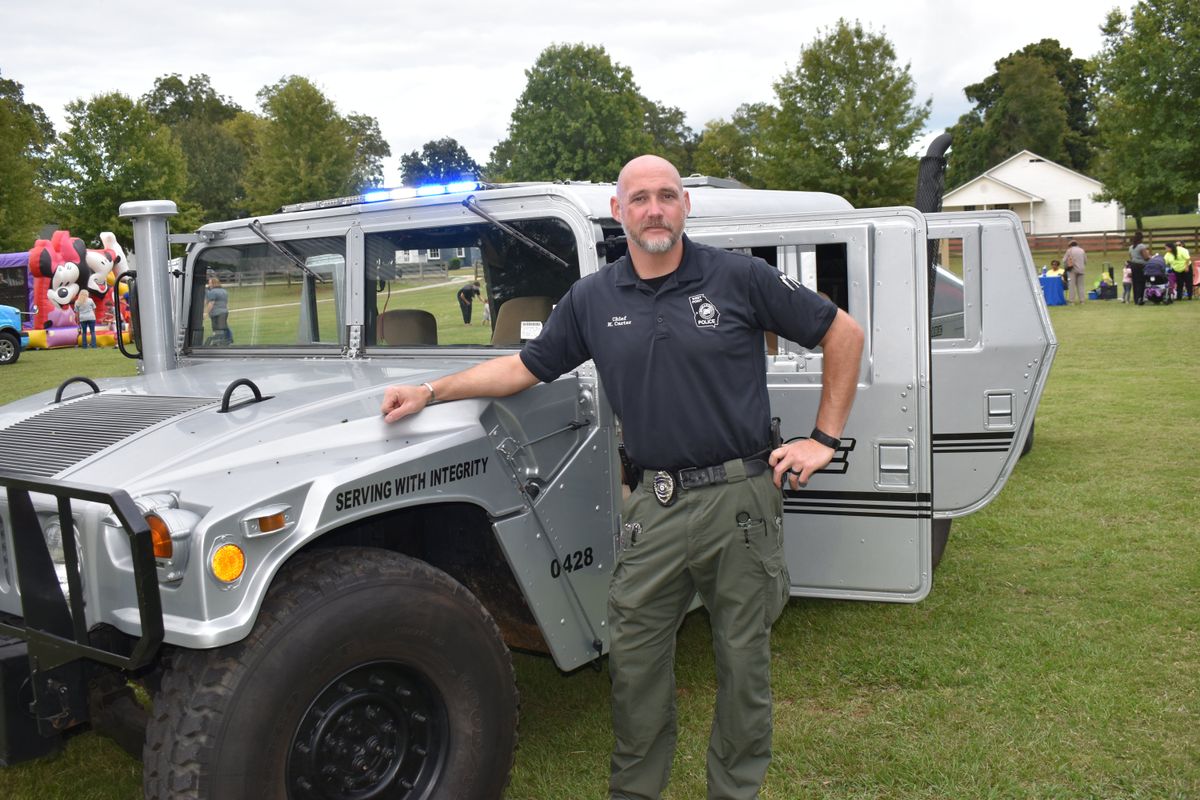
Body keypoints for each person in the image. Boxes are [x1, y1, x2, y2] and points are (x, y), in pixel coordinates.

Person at [380, 154, 864, 800]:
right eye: (639, 199)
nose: (654, 209)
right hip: (654, 509)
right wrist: (430, 390)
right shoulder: (594, 298)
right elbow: (524, 368)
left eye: (667, 196)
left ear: (685, 206)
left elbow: (844, 333)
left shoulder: (740, 278)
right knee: (634, 665)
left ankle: (735, 790)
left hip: (740, 504)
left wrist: (823, 440)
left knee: (743, 666)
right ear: (619, 212)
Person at [205, 273, 232, 343]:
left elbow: (211, 303)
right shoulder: (224, 291)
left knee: (217, 329)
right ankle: (228, 339)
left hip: (216, 313)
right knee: (224, 327)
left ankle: (218, 341)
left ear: (213, 283)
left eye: (210, 283)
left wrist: (206, 313)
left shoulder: (212, 292)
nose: (209, 284)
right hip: (224, 312)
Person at [1128, 232, 1150, 305]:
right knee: (1141, 282)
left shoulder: (1131, 247)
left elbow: (1131, 257)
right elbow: (1146, 257)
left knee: (1135, 282)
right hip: (1141, 266)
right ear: (1141, 238)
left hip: (1133, 265)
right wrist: (1151, 257)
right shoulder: (1141, 246)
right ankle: (1140, 298)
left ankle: (1136, 299)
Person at [1063, 240, 1087, 305]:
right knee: (1081, 286)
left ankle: (1072, 301)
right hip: (1081, 269)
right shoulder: (1082, 250)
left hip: (1072, 270)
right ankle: (1082, 301)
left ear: (1070, 245)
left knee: (1071, 286)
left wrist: (1066, 267)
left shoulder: (1069, 250)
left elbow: (1064, 260)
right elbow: (1085, 261)